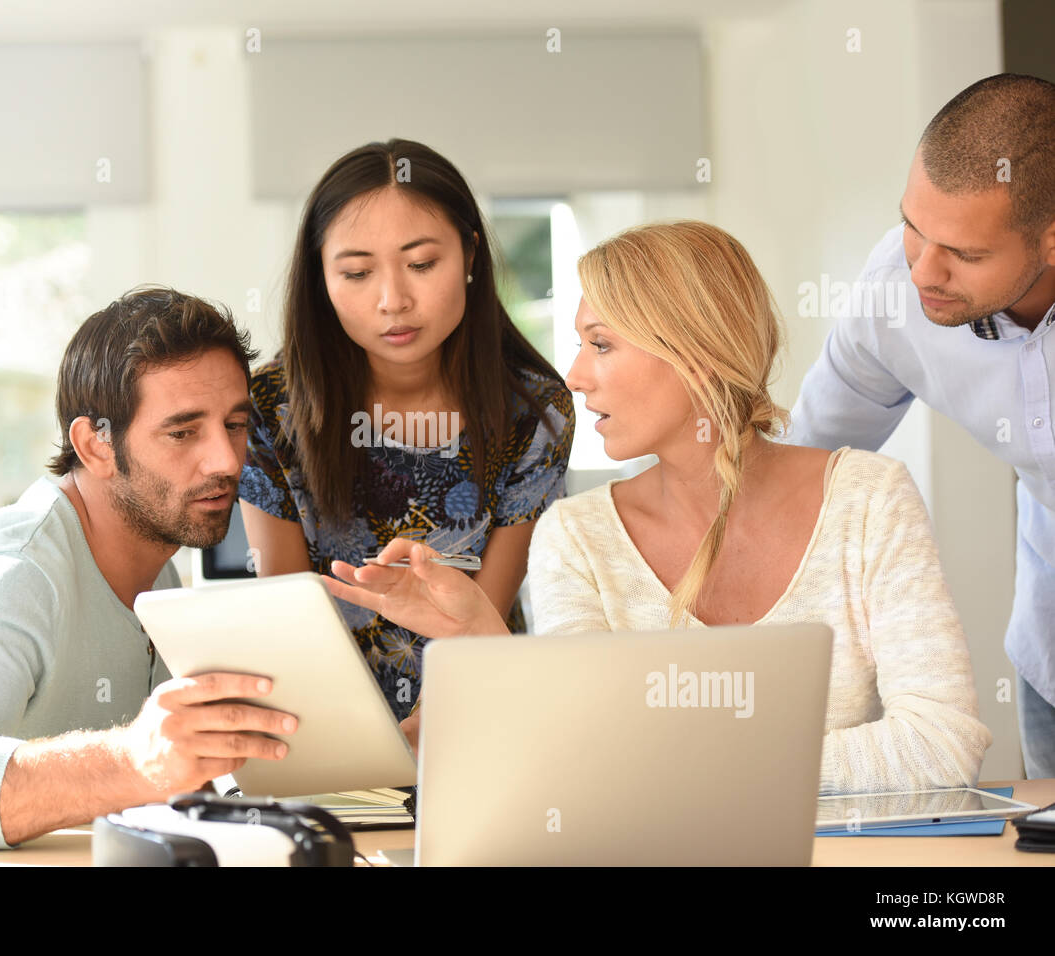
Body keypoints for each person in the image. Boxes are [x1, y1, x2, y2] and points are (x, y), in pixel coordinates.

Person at [325, 221, 993, 794]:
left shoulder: (869, 499)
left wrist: (676, 763)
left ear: (696, 354)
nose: (577, 375)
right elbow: (581, 760)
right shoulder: (576, 538)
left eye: (602, 343)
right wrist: (483, 637)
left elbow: (941, 744)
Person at [0, 287, 298, 851]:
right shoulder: (15, 574)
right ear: (95, 445)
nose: (226, 460)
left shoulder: (157, 568)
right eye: (183, 432)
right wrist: (134, 760)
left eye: (234, 425)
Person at [238, 138, 574, 731]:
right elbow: (289, 613)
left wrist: (422, 736)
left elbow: (480, 618)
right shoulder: (267, 409)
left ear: (470, 252)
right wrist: (358, 749)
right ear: (321, 276)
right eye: (357, 273)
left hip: (476, 716)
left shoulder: (535, 412)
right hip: (325, 724)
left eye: (421, 264)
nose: (393, 300)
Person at [787, 73, 1055, 779]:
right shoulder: (892, 295)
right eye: (913, 226)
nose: (923, 272)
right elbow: (805, 471)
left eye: (965, 254)